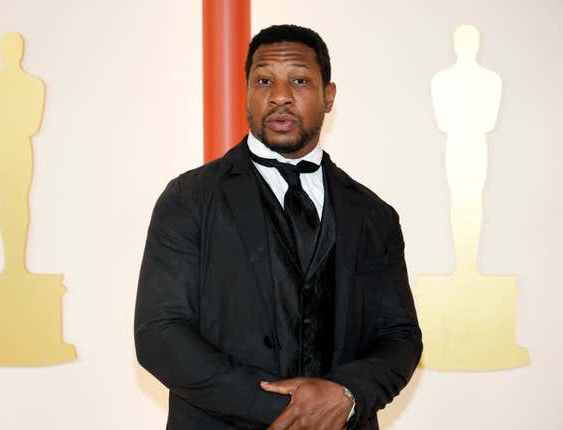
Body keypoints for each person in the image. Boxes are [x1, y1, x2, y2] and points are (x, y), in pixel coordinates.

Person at [135, 24, 422, 430]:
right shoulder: (189, 199)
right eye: (264, 80)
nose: (280, 96)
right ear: (247, 92)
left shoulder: (375, 215)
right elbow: (160, 335)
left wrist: (346, 396)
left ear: (329, 96)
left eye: (300, 80)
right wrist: (291, 412)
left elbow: (400, 337)